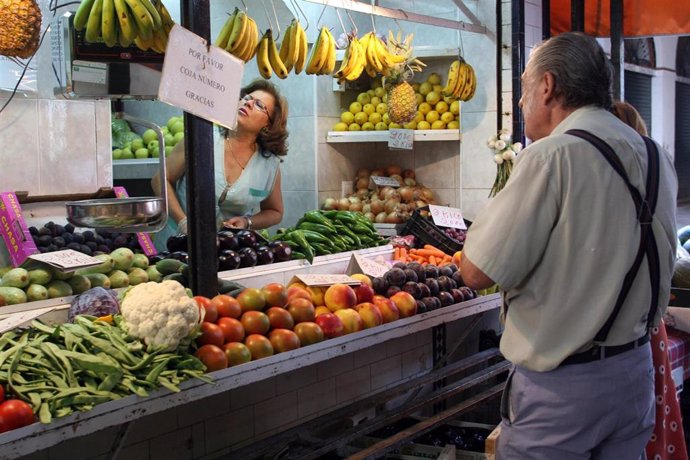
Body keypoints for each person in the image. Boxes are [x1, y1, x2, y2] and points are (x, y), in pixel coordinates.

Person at [460, 32, 678, 459]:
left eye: (524, 89)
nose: (522, 103)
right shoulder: (655, 156)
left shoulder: (551, 156)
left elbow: (476, 272)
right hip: (634, 377)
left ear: (548, 86)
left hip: (563, 392)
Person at [611, 99, 687, 459]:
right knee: (645, 422)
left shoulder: (613, 187)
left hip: (622, 331)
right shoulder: (656, 174)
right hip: (644, 329)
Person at [151, 80, 288, 251]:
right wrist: (183, 222)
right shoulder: (201, 137)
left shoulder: (269, 165)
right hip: (175, 244)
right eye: (247, 97)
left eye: (259, 104)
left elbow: (275, 212)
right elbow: (160, 179)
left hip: (225, 252)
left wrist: (247, 222)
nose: (248, 102)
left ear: (268, 125)